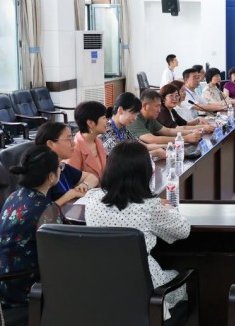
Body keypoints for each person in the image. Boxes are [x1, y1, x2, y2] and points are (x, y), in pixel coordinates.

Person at [84, 140, 191, 319]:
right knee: (183, 281)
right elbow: (183, 230)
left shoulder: (92, 199)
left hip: (100, 288)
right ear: (145, 173)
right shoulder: (150, 207)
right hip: (144, 291)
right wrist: (169, 208)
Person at [0, 144, 64, 307]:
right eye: (60, 167)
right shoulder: (47, 209)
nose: (61, 170)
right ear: (51, 176)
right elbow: (59, 255)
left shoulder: (14, 196)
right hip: (25, 289)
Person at [35, 122, 99, 207]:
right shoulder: (41, 173)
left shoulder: (62, 166)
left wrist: (85, 185)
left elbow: (93, 177)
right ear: (50, 144)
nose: (73, 143)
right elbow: (43, 211)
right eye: (68, 139)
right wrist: (70, 195)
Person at [129, 90, 202, 157]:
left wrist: (191, 132)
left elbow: (167, 131)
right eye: (157, 106)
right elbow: (152, 140)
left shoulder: (150, 117)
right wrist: (186, 138)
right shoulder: (134, 118)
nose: (159, 110)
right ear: (145, 106)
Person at [67, 100, 108, 180]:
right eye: (103, 118)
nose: (107, 121)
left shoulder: (98, 141)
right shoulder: (75, 148)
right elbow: (70, 181)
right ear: (90, 123)